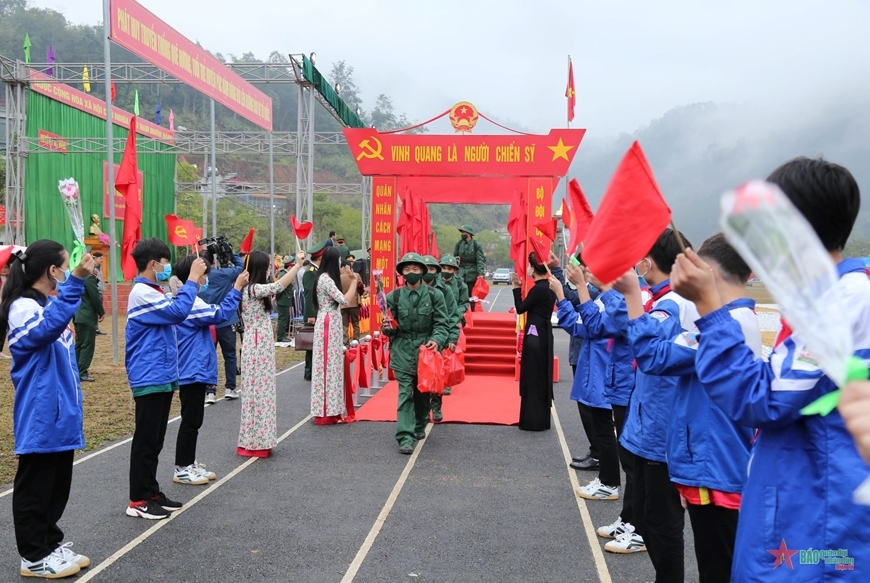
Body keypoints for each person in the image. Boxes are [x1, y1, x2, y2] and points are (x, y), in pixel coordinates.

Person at [673, 157, 870, 582]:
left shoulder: (845, 302)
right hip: (807, 512)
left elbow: (760, 398)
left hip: (817, 532)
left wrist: (709, 306)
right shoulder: (830, 299)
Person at [615, 233, 759, 582]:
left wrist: (632, 295)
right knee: (712, 559)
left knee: (716, 565)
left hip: (715, 465)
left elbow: (654, 356)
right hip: (709, 462)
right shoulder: (728, 321)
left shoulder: (727, 325)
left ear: (709, 273)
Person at [0, 242, 94, 579]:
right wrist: (76, 281)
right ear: (52, 271)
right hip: (40, 410)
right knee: (36, 486)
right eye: (66, 266)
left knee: (56, 486)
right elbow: (44, 331)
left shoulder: (49, 304)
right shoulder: (22, 308)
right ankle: (33, 555)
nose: (68, 271)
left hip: (62, 410)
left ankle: (49, 543)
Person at [125, 239, 207, 520]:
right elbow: (177, 313)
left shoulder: (153, 291)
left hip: (161, 373)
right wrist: (192, 279)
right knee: (146, 439)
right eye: (165, 262)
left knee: (156, 439)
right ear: (153, 264)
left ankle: (151, 492)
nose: (167, 267)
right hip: (148, 374)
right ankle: (138, 499)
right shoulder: (141, 293)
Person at [173, 255, 248, 485]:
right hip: (191, 369)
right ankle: (182, 468)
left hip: (195, 368)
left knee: (194, 420)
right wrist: (236, 288)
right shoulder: (190, 303)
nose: (206, 279)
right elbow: (220, 314)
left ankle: (188, 462)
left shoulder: (191, 300)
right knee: (190, 421)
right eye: (204, 275)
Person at [237, 250, 306, 457]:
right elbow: (279, 285)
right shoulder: (253, 289)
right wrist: (297, 265)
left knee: (261, 393)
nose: (270, 269)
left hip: (259, 344)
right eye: (268, 266)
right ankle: (255, 441)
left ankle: (257, 439)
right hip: (257, 346)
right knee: (259, 393)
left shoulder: (252, 289)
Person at [383, 253, 450, 454]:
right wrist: (387, 327)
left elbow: (442, 323)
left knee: (422, 393)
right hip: (402, 350)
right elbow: (388, 328)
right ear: (402, 273)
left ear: (422, 271)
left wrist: (436, 340)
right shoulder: (393, 297)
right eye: (407, 269)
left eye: (415, 269)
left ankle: (420, 424)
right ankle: (405, 436)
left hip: (425, 351)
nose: (411, 272)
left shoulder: (435, 296)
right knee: (405, 393)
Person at [311, 248, 358, 424]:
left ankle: (332, 408)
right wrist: (353, 281)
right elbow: (345, 300)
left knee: (332, 365)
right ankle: (326, 411)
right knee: (328, 366)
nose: (341, 263)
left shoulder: (325, 277)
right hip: (328, 323)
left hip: (331, 320)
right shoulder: (326, 279)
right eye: (339, 260)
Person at [512, 252, 556, 431]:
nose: (528, 269)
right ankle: (541, 419)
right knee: (542, 374)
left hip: (534, 334)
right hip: (544, 333)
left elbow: (521, 308)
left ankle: (532, 419)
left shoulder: (538, 289)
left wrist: (516, 288)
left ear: (534, 269)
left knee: (532, 375)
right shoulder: (550, 286)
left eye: (530, 266)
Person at [198, 245, 245, 404]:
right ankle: (230, 388)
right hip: (226, 320)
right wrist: (231, 252)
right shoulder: (223, 274)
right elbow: (241, 267)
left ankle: (210, 391)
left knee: (209, 356)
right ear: (213, 261)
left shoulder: (197, 279)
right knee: (229, 355)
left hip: (207, 323)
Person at [423, 255, 460, 423]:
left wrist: (452, 337)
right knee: (421, 376)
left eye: (432, 269)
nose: (428, 272)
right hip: (419, 339)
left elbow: (453, 315)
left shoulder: (444, 290)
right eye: (426, 268)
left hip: (439, 336)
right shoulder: (412, 288)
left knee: (436, 374)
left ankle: (436, 406)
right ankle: (423, 409)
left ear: (436, 271)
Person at [73, 259, 104, 382]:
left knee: (79, 344)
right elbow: (95, 297)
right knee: (87, 345)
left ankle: (75, 369)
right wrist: (101, 312)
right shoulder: (89, 278)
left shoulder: (78, 278)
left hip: (78, 315)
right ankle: (82, 372)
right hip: (87, 316)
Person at [302, 241, 327, 381]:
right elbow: (310, 295)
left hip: (318, 311)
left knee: (317, 343)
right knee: (311, 344)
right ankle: (309, 371)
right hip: (313, 314)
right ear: (320, 258)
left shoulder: (316, 271)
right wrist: (311, 315)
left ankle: (315, 369)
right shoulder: (310, 272)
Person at [454, 225, 485, 311]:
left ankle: (472, 310)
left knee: (472, 295)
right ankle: (462, 310)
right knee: (460, 292)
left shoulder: (476, 245)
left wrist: (480, 274)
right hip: (461, 272)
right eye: (462, 232)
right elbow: (455, 257)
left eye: (464, 232)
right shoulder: (459, 244)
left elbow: (480, 260)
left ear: (469, 234)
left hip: (472, 272)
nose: (462, 234)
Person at [340, 259, 363, 344]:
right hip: (354, 303)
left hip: (343, 304)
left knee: (344, 325)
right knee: (355, 323)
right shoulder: (356, 275)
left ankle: (345, 343)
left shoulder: (339, 277)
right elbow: (361, 288)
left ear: (343, 267)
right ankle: (356, 341)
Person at [275, 256, 295, 343]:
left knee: (284, 319)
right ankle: (281, 337)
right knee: (282, 320)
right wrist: (277, 299)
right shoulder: (284, 275)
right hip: (283, 301)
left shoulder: (285, 274)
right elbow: (279, 289)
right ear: (290, 267)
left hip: (284, 300)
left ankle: (282, 336)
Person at [92, 252, 107, 335]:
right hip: (95, 290)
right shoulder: (92, 268)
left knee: (97, 311)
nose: (102, 260)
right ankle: (93, 328)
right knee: (94, 311)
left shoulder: (99, 267)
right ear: (95, 258)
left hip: (100, 290)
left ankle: (96, 328)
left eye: (102, 258)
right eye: (100, 258)